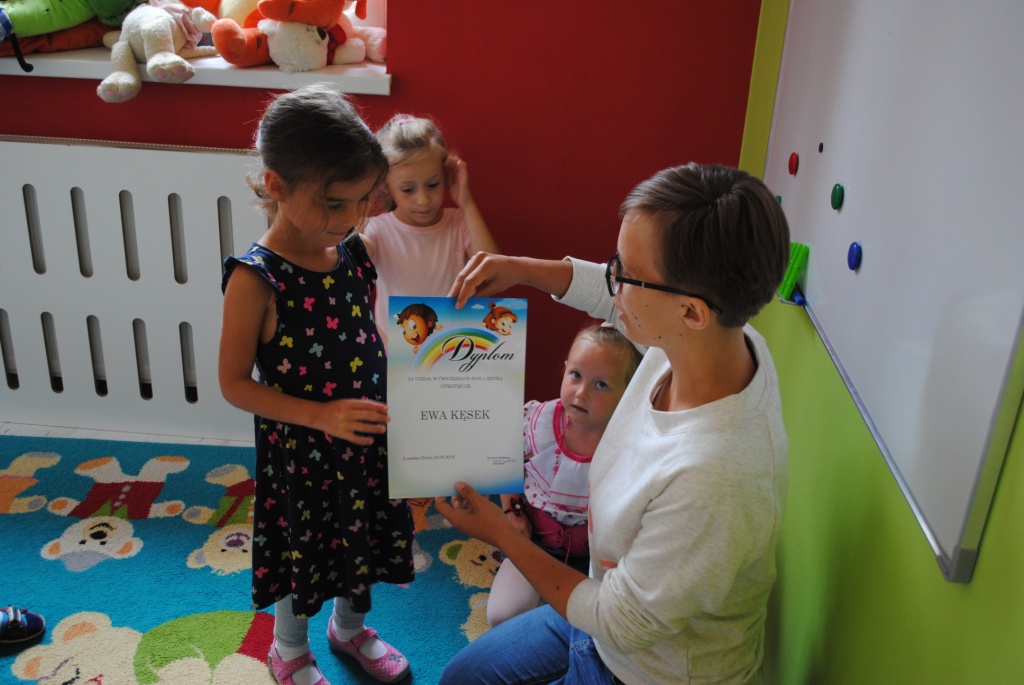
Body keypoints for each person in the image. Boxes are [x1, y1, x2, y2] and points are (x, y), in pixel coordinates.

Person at [435, 162, 791, 685]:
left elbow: (621, 623)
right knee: (461, 679)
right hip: (598, 610)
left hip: (645, 667)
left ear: (690, 312)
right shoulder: (719, 338)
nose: (612, 283)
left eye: (624, 272)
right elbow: (616, 297)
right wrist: (521, 268)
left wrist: (499, 534)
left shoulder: (715, 477)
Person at [219, 84, 413, 685]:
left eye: (361, 201)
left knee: (364, 540)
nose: (351, 218)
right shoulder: (256, 279)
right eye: (334, 204)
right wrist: (322, 416)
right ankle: (288, 648)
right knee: (304, 550)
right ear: (276, 185)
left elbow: (363, 338)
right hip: (303, 453)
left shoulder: (351, 252)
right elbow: (233, 384)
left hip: (366, 437)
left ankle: (349, 630)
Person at [489, 322, 643, 629]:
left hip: (599, 558)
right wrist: (511, 512)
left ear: (628, 394)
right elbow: (503, 456)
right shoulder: (540, 420)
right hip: (535, 543)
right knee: (502, 617)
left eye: (601, 385)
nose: (581, 393)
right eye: (575, 375)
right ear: (565, 369)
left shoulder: (630, 441)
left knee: (602, 627)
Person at [361, 113, 499, 349]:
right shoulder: (377, 230)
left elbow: (494, 272)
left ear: (446, 176)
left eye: (433, 185)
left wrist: (466, 202)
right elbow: (348, 262)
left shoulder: (459, 222)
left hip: (451, 349)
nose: (423, 200)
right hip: (393, 354)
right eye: (408, 190)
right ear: (385, 184)